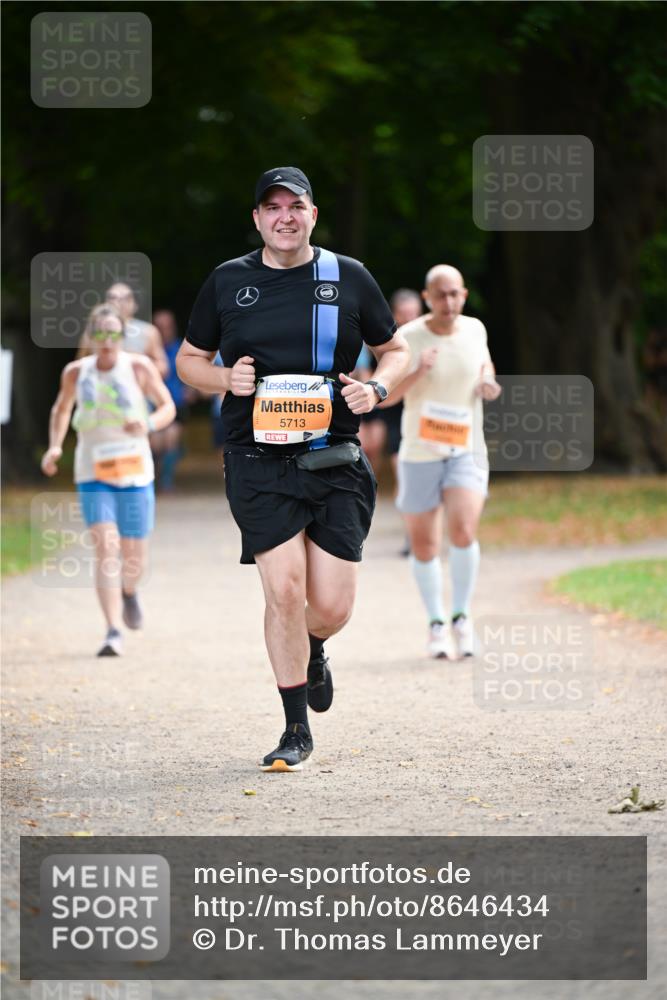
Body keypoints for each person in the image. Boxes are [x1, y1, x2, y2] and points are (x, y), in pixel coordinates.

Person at [176, 166, 410, 772]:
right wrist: (224, 378)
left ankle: (315, 646)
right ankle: (295, 729)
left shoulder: (348, 277)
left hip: (333, 456)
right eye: (271, 207)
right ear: (257, 218)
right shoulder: (228, 281)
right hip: (256, 459)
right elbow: (188, 360)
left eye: (295, 206)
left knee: (330, 607)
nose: (284, 216)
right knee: (283, 590)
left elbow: (398, 349)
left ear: (312, 214)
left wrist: (377, 388)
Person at [41, 303, 176, 656]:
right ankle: (112, 630)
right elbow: (61, 409)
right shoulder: (76, 371)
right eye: (98, 333)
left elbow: (167, 407)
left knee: (133, 555)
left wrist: (146, 424)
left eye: (112, 333)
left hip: (133, 470)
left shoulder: (138, 366)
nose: (105, 341)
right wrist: (55, 447)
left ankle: (129, 591)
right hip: (93, 471)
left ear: (122, 335)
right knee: (106, 546)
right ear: (91, 336)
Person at [386, 264, 501, 659]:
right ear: (427, 297)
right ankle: (436, 623)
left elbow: (485, 365)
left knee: (464, 530)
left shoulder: (475, 329)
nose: (449, 302)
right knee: (425, 544)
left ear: (464, 295)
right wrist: (418, 370)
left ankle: (461, 616)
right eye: (441, 295)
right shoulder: (408, 336)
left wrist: (488, 381)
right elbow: (386, 397)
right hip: (420, 451)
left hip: (466, 448)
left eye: (455, 294)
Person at [77, 283, 168, 377]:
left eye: (125, 298)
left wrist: (137, 369)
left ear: (135, 304)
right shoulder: (94, 330)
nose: (118, 302)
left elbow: (162, 366)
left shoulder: (148, 331)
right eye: (113, 297)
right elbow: (81, 362)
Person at [150, 309, 191, 490]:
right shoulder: (148, 351)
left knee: (171, 440)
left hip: (176, 404)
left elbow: (191, 373)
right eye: (160, 327)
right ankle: (155, 475)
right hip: (153, 404)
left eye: (167, 326)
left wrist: (190, 390)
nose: (164, 330)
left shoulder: (181, 349)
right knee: (156, 444)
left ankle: (166, 481)